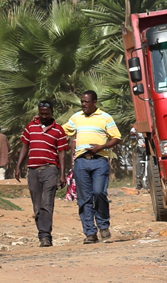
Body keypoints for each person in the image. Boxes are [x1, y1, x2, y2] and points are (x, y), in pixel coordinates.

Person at [65, 89, 121, 242]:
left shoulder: (105, 118)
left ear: (94, 103)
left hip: (99, 161)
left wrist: (100, 147)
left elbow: (116, 137)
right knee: (84, 198)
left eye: (86, 102)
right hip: (81, 162)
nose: (83, 104)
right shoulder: (76, 117)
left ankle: (103, 226)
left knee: (98, 193)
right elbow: (61, 131)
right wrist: (42, 121)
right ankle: (90, 232)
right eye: (82, 102)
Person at [21, 99, 70, 248]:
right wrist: (18, 166)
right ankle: (42, 232)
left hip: (50, 169)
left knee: (47, 203)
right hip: (33, 170)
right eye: (41, 113)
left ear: (51, 113)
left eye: (46, 114)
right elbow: (24, 147)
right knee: (37, 206)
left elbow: (62, 153)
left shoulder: (58, 130)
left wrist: (62, 175)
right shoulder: (30, 127)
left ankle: (45, 236)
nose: (43, 116)